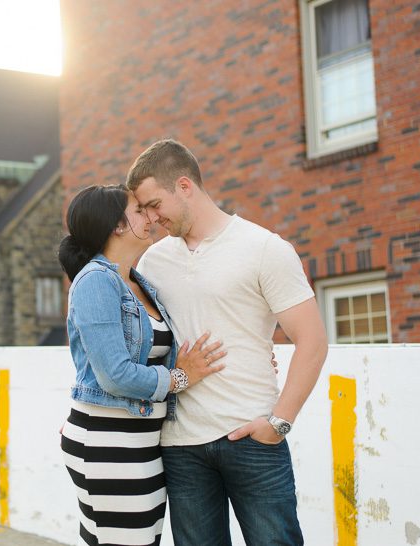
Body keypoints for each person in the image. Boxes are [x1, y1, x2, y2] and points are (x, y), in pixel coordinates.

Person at [127, 139, 329, 545]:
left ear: (184, 186)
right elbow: (137, 346)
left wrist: (278, 423)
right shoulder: (152, 262)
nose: (149, 218)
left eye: (153, 204)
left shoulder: (264, 248)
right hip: (180, 446)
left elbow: (313, 340)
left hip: (252, 437)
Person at [57, 184, 226, 546]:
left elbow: (165, 345)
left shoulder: (137, 281)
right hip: (108, 442)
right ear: (117, 225)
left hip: (142, 443)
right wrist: (181, 377)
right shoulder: (95, 281)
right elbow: (114, 374)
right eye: (139, 210)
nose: (151, 216)